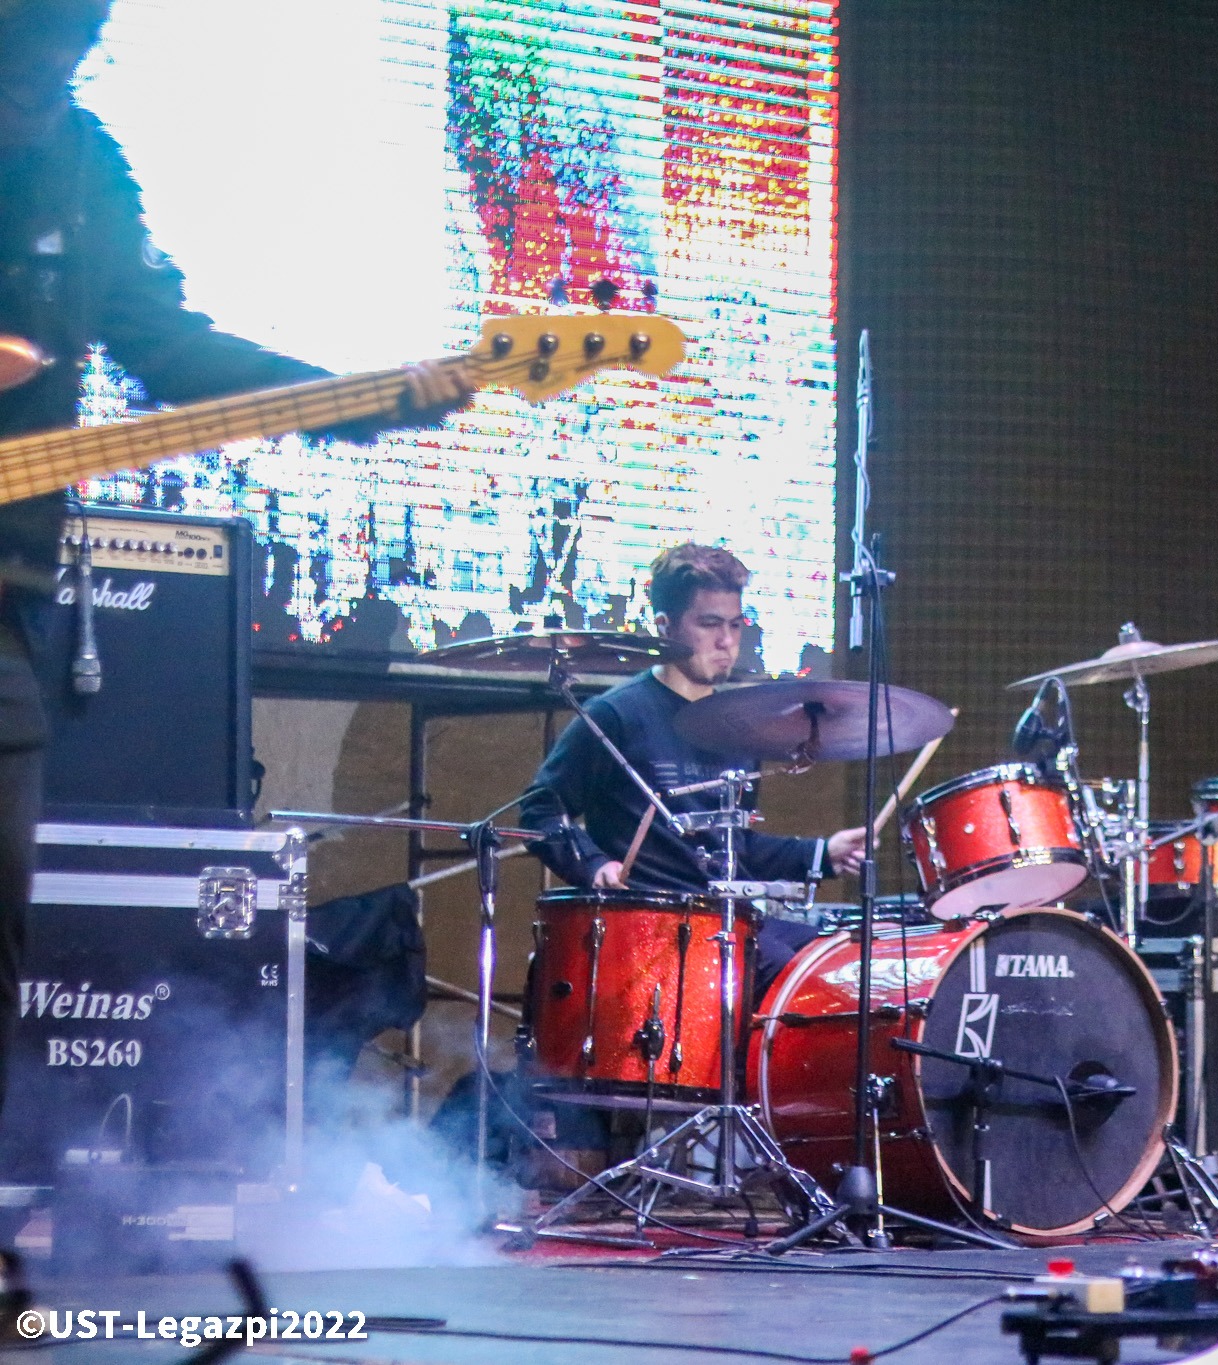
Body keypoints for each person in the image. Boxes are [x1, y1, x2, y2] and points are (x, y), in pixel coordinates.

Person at [0, 0, 469, 1110]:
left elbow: (170, 347)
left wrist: (359, 400)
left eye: (72, 53)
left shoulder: (83, 169)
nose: (49, 79)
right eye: (29, 56)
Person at [522, 543, 867, 986]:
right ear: (664, 626)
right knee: (792, 976)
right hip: (654, 927)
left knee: (846, 962)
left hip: (728, 918)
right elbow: (540, 811)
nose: (727, 641)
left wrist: (822, 853)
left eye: (735, 625)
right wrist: (593, 864)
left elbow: (733, 846)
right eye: (709, 624)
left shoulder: (737, 726)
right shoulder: (615, 716)